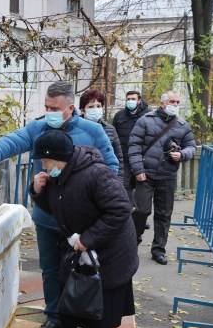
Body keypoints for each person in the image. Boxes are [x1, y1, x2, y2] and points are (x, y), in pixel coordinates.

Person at [0, 80, 118, 328]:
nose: (49, 113)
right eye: (46, 107)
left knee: (77, 272)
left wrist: (94, 199)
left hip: (79, 220)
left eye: (54, 108)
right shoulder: (38, 128)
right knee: (49, 270)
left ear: (70, 108)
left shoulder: (92, 131)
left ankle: (76, 319)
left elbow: (111, 167)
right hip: (47, 216)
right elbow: (11, 141)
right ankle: (54, 317)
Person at [29, 129, 138, 328]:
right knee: (68, 292)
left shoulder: (97, 174)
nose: (44, 166)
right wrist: (37, 191)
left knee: (100, 300)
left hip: (110, 249)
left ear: (59, 157)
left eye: (46, 160)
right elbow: (55, 208)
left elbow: (120, 208)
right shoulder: (59, 173)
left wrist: (89, 238)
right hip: (79, 247)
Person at [128, 90, 197, 265]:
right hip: (145, 174)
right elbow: (134, 145)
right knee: (141, 210)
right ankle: (131, 243)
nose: (175, 105)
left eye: (177, 102)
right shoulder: (145, 120)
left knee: (164, 214)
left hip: (167, 175)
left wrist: (182, 154)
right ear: (162, 103)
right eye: (172, 102)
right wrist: (138, 169)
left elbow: (191, 147)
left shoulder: (182, 125)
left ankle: (158, 250)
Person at [112, 90, 151, 201]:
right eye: (128, 99)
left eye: (133, 99)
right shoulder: (119, 116)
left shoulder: (148, 115)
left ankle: (138, 208)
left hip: (142, 159)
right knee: (124, 186)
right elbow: (114, 135)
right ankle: (127, 208)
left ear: (139, 100)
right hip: (124, 158)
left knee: (141, 187)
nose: (130, 101)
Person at [79, 88, 123, 183]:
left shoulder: (110, 129)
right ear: (82, 110)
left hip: (104, 180)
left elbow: (119, 158)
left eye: (98, 106)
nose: (95, 109)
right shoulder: (76, 128)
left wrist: (118, 183)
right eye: (91, 107)